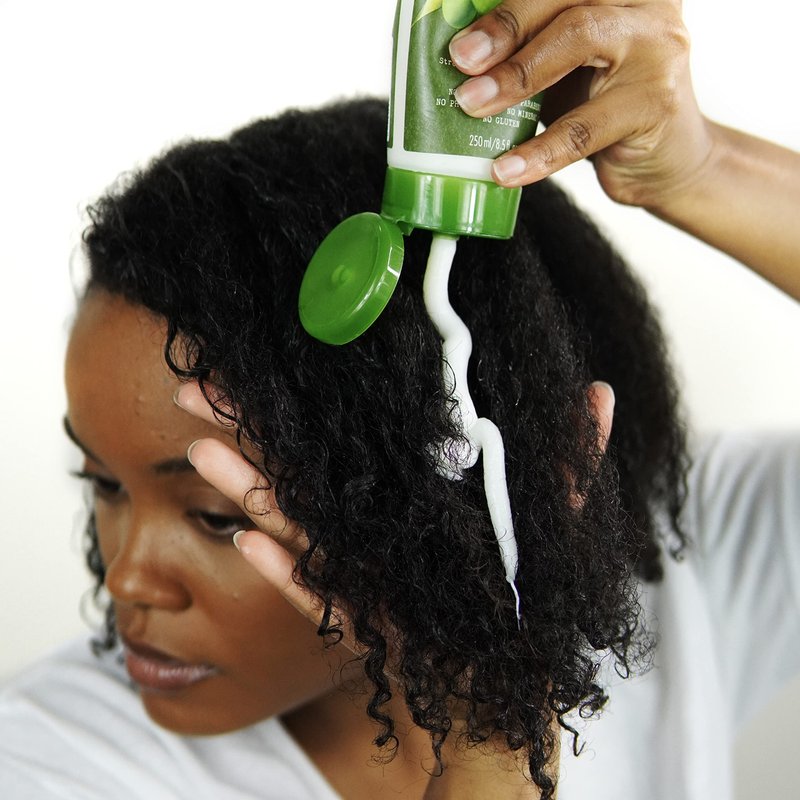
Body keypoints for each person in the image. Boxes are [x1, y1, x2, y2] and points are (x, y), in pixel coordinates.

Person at [0, 3, 797, 800]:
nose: (128, 580)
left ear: (440, 484)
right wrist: (489, 744)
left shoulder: (673, 561)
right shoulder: (54, 757)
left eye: (218, 516)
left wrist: (703, 168)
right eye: (101, 483)